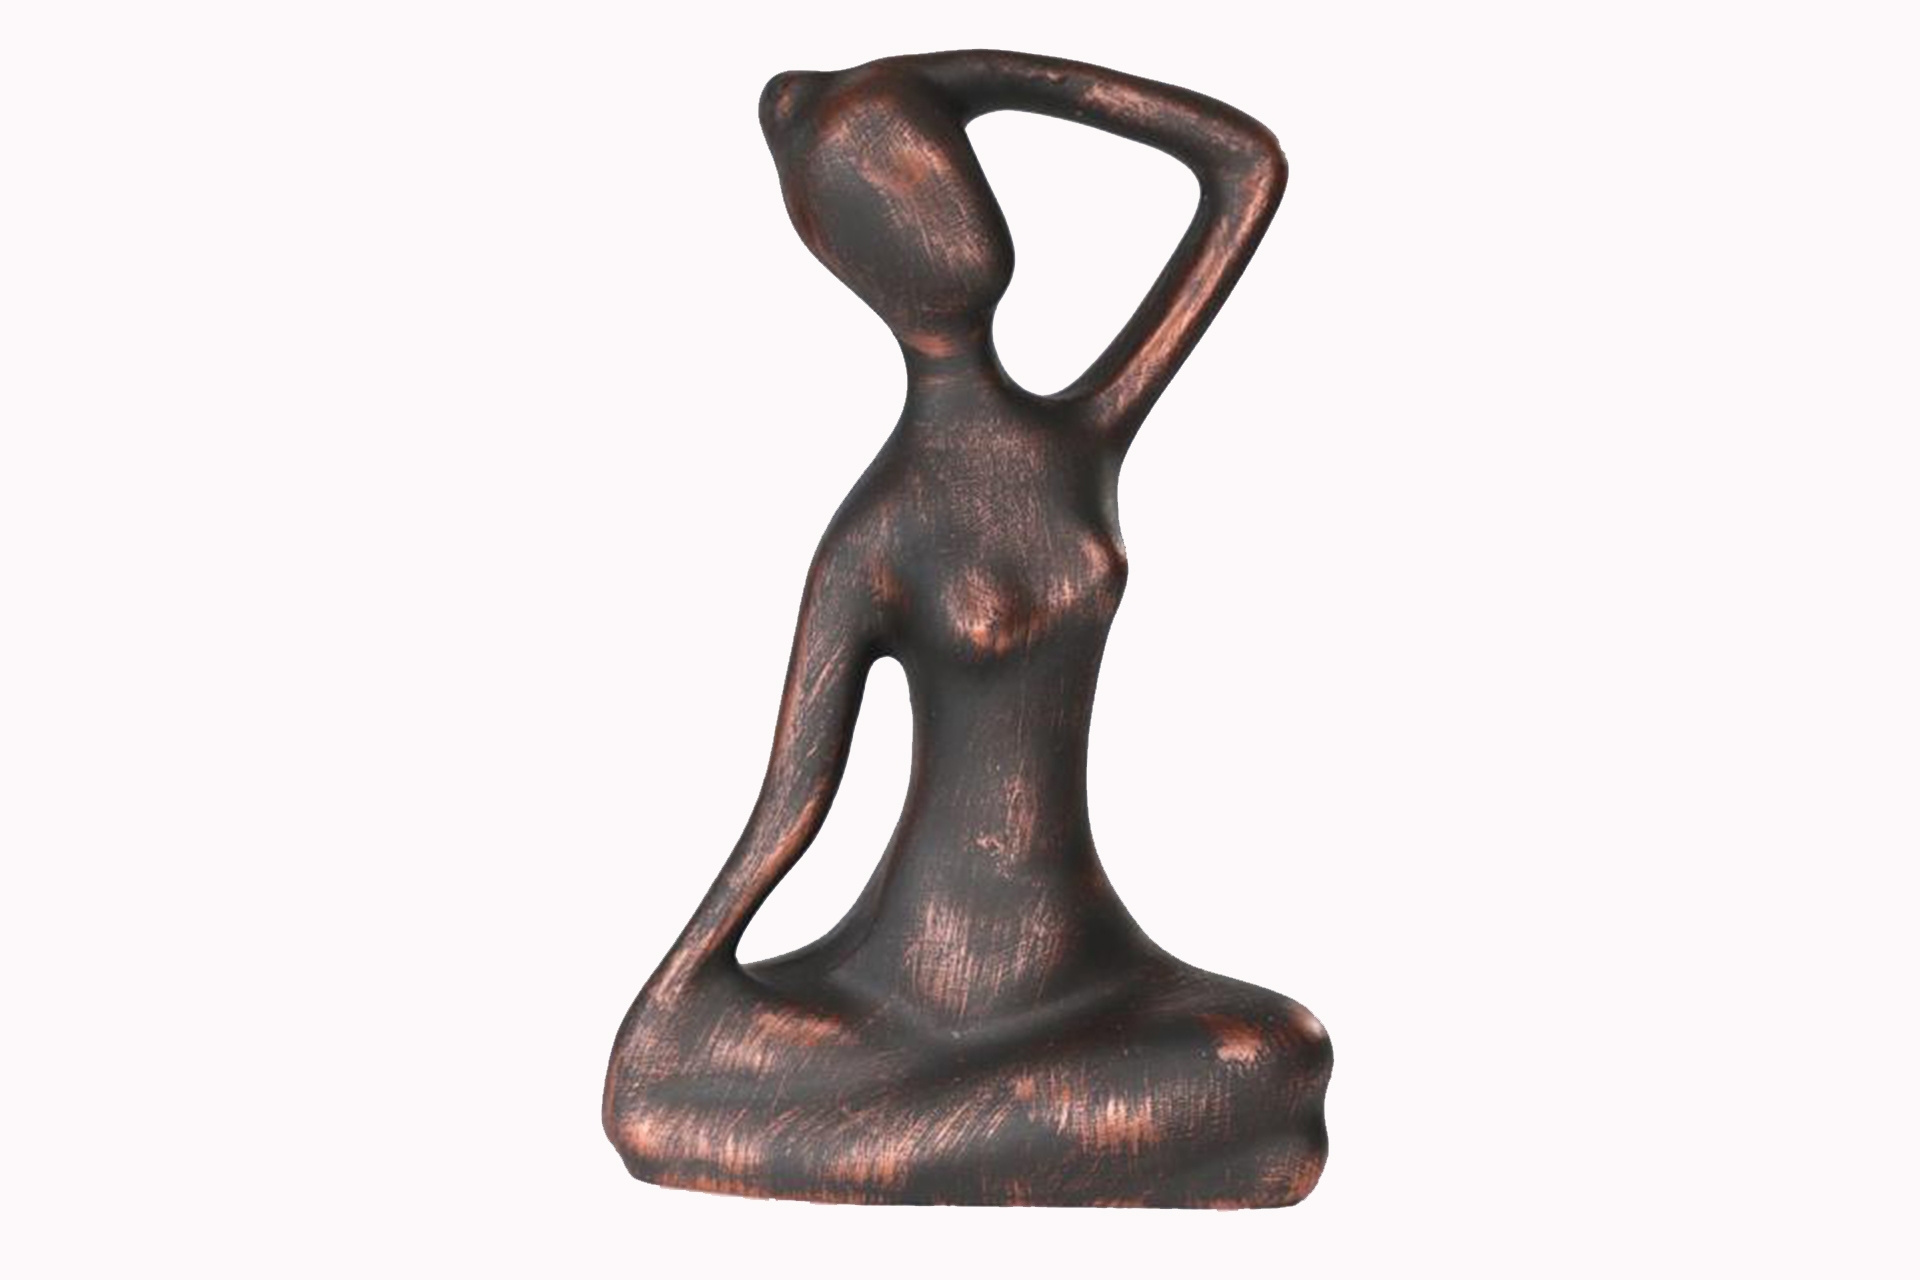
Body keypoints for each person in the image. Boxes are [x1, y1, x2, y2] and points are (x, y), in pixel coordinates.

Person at [605, 50, 1330, 1207]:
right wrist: (676, 1001)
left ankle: (995, 1129)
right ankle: (1001, 1124)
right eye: (893, 207)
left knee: (1279, 1053)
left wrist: (971, 78)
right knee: (1250, 1113)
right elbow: (795, 797)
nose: (943, 228)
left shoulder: (1081, 434)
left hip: (1090, 967)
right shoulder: (881, 527)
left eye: (942, 181)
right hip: (921, 989)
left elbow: (1244, 167)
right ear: (858, 263)